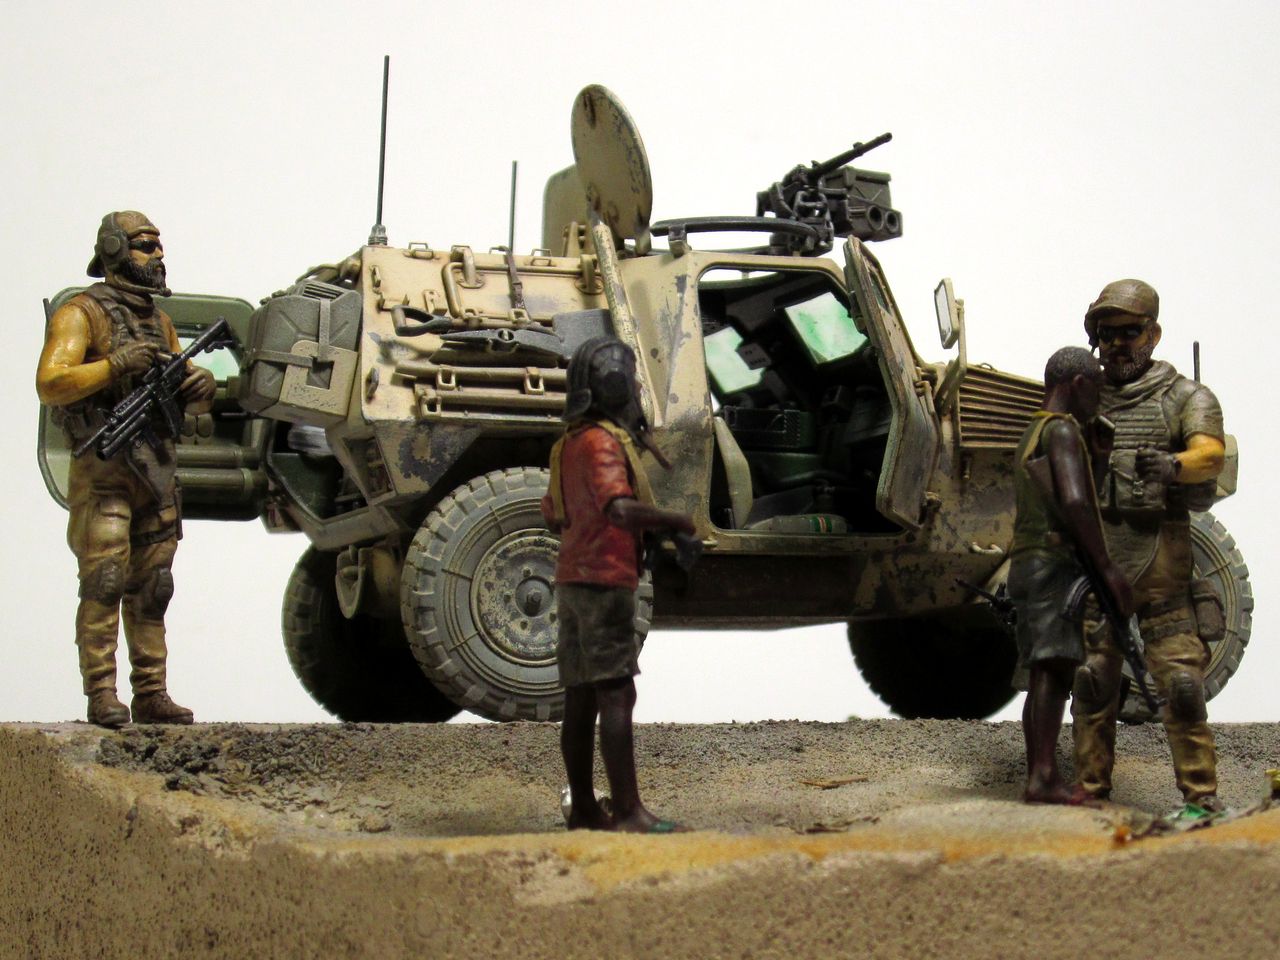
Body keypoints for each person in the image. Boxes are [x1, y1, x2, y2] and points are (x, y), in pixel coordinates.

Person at [36, 212, 215, 728]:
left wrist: (199, 385)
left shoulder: (159, 321)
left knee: (154, 588)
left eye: (158, 245)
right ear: (115, 250)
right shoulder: (82, 313)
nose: (158, 254)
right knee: (105, 580)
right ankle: (101, 693)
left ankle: (151, 693)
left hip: (156, 472)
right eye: (145, 245)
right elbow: (51, 382)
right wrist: (115, 365)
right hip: (106, 474)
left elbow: (180, 384)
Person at [1072, 279, 1228, 816]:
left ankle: (1202, 800)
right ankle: (1090, 796)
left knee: (1182, 687)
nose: (1117, 345)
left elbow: (1211, 455)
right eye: (1106, 334)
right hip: (1100, 568)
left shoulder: (1185, 397)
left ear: (1153, 334)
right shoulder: (1085, 397)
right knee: (1093, 684)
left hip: (1164, 572)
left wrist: (1173, 466)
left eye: (1130, 333)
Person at [541, 337, 695, 833]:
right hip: (605, 583)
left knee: (580, 698)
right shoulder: (602, 443)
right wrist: (677, 521)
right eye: (629, 381)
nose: (633, 390)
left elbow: (552, 515)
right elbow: (619, 509)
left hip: (571, 581)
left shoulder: (567, 444)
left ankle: (586, 809)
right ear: (613, 385)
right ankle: (629, 812)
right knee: (616, 694)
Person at [1010, 347, 1134, 804]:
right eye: (1096, 390)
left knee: (1046, 671)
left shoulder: (1035, 430)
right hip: (1053, 563)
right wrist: (1107, 568)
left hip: (1030, 562)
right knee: (1053, 668)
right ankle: (1042, 777)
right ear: (1078, 385)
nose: (1098, 401)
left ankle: (1040, 773)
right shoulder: (1062, 430)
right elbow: (1077, 503)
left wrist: (1097, 461)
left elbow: (1063, 495)